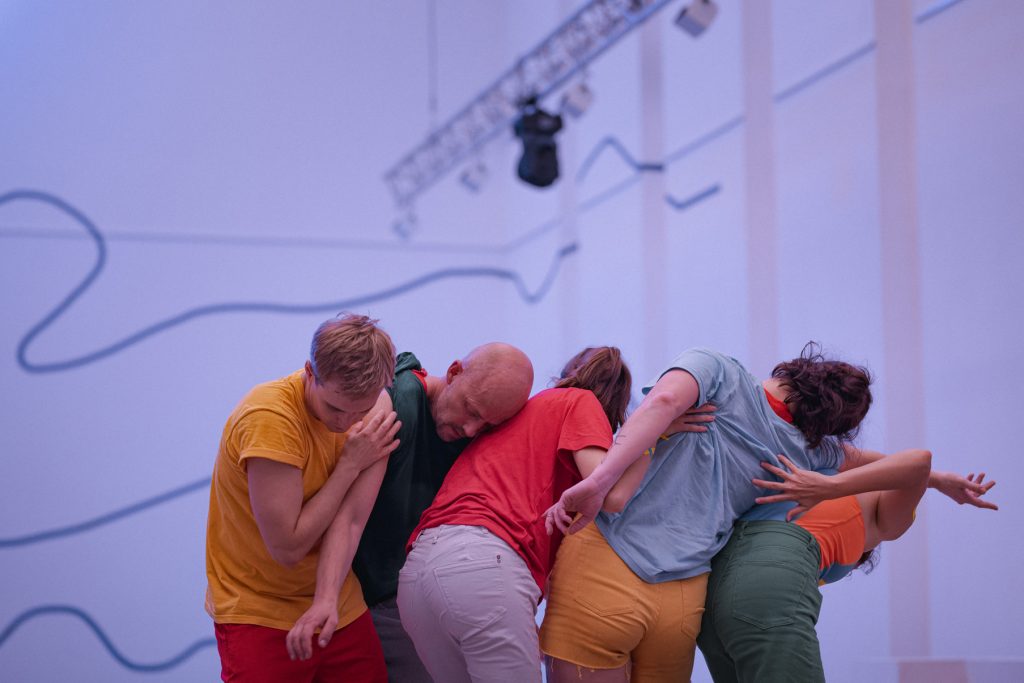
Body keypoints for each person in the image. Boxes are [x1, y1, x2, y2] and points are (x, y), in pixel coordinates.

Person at [541, 344, 990, 682]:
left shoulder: (718, 371)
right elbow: (895, 462)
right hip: (691, 589)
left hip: (649, 571)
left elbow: (661, 404)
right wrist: (935, 480)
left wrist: (599, 481)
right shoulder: (810, 454)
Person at [285, 342, 535, 681]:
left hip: (413, 594)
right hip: (361, 593)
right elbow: (351, 517)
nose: (471, 429)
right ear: (454, 372)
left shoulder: (478, 436)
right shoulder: (395, 404)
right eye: (471, 410)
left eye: (486, 424)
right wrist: (326, 598)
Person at [396, 347, 645, 683]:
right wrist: (650, 440)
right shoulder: (580, 402)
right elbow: (608, 493)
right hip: (482, 564)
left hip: (417, 574)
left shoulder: (517, 415)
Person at [697, 440, 998, 682]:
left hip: (712, 590)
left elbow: (908, 466)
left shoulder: (819, 467)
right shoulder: (880, 522)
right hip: (762, 581)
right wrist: (937, 479)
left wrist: (937, 481)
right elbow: (919, 461)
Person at [205, 313, 401, 682]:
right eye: (335, 408)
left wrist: (327, 599)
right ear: (310, 372)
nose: (346, 423)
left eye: (360, 410)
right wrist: (348, 466)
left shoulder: (378, 408)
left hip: (339, 602)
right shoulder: (270, 418)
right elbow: (289, 548)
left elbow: (351, 519)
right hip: (260, 610)